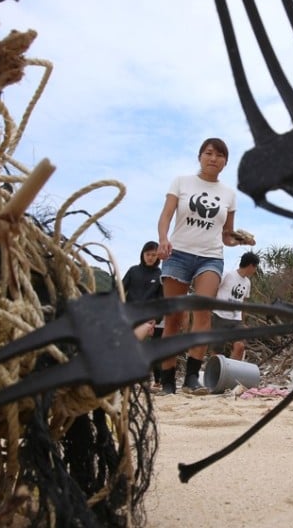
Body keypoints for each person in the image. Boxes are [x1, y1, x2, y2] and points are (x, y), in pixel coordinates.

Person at [156, 138, 255, 394]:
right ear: (200, 156)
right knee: (174, 320)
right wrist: (163, 239)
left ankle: (191, 376)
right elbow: (166, 214)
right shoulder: (181, 182)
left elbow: (226, 235)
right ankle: (167, 379)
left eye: (220, 155)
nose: (214, 158)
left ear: (225, 162)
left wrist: (241, 239)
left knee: (202, 315)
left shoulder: (229, 195)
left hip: (210, 257)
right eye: (209, 153)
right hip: (178, 254)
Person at [121, 241, 165, 380]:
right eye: (147, 254)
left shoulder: (160, 275)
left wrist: (156, 319)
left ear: (158, 256)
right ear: (142, 254)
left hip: (149, 317)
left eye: (153, 254)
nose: (150, 257)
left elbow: (161, 299)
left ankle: (157, 380)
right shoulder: (133, 271)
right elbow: (120, 290)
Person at [211, 250, 260, 362]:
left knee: (240, 346)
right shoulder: (228, 275)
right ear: (250, 265)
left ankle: (231, 372)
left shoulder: (247, 282)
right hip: (220, 316)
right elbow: (214, 290)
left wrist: (243, 322)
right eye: (255, 267)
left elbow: (244, 303)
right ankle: (215, 373)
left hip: (236, 320)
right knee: (217, 350)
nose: (255, 270)